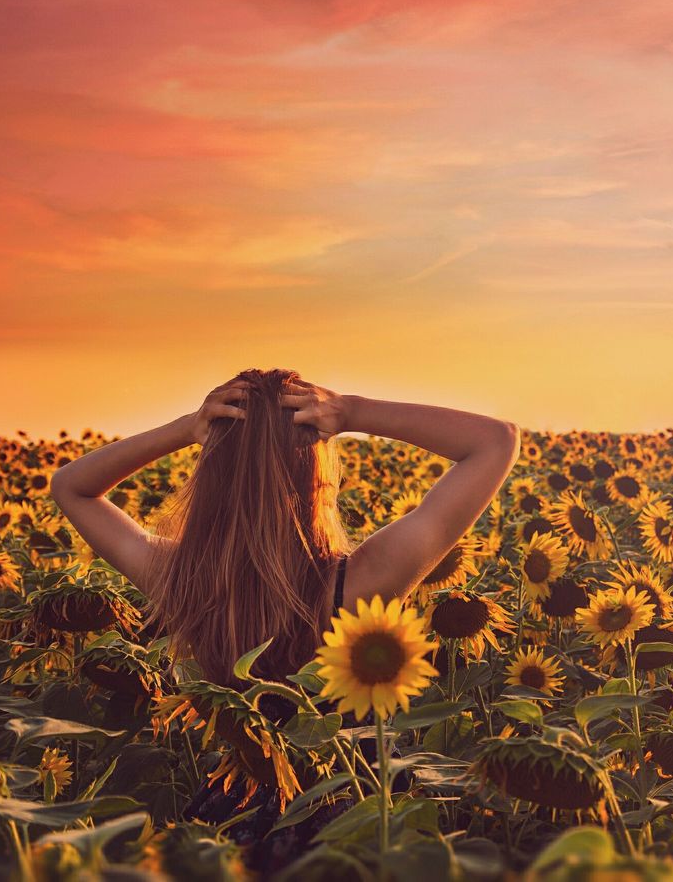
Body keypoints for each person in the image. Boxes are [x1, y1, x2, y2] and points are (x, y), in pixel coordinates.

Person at [50, 369, 520, 870]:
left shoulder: (183, 579)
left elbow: (72, 488)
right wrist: (352, 412)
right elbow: (494, 441)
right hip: (355, 816)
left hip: (234, 820)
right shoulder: (359, 582)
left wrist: (185, 429)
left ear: (211, 469)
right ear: (314, 469)